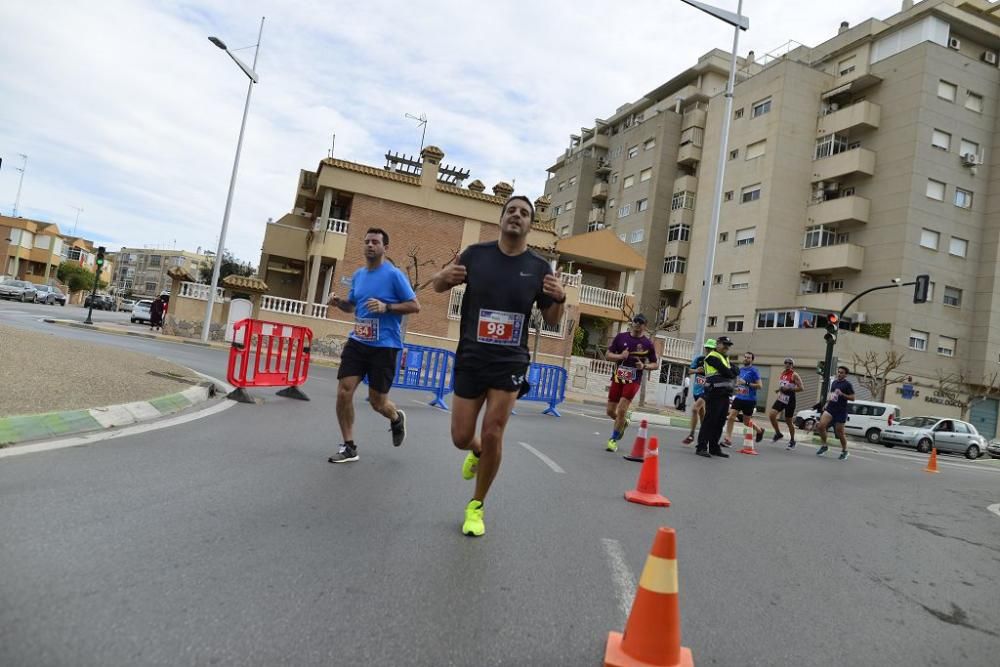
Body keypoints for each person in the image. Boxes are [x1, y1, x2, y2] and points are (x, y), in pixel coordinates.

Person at [431, 195, 566, 537]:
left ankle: (476, 506)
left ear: (530, 225)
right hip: (472, 357)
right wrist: (444, 276)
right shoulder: (477, 255)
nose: (516, 216)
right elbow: (438, 285)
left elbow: (551, 318)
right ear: (501, 218)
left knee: (494, 431)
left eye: (524, 213)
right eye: (511, 211)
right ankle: (475, 451)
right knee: (462, 437)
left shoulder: (538, 268)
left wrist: (560, 299)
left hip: (510, 360)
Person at [326, 228, 421, 464]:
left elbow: (414, 305)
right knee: (344, 391)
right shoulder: (358, 275)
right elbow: (353, 307)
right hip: (358, 342)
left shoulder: (394, 275)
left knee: (378, 402)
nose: (370, 245)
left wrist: (387, 307)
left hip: (385, 346)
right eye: (367, 241)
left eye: (375, 242)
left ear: (384, 248)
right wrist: (340, 303)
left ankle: (396, 417)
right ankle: (349, 447)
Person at [604, 314, 659, 452]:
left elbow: (655, 364)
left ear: (645, 326)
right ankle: (624, 422)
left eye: (641, 322)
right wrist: (620, 356)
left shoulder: (647, 344)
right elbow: (608, 355)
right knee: (611, 411)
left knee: (622, 410)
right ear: (632, 322)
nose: (637, 324)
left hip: (633, 379)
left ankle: (613, 440)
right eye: (635, 321)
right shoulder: (621, 337)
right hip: (618, 377)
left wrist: (644, 366)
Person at [696, 336, 737, 458]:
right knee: (710, 420)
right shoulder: (712, 356)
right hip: (714, 392)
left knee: (720, 422)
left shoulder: (725, 358)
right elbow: (728, 372)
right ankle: (701, 447)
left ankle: (714, 448)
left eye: (728, 345)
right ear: (717, 344)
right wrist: (731, 372)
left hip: (725, 394)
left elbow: (735, 371)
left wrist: (731, 371)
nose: (727, 347)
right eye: (724, 344)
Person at [724, 351, 765, 446]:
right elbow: (739, 383)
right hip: (739, 397)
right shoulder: (740, 370)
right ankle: (728, 438)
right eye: (745, 357)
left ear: (752, 360)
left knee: (746, 422)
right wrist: (737, 386)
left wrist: (746, 383)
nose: (746, 359)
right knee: (731, 417)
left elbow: (760, 386)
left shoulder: (754, 371)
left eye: (748, 357)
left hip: (749, 400)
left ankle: (759, 430)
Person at [816, 365, 856, 460]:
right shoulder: (834, 382)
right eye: (838, 372)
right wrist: (827, 403)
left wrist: (842, 394)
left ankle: (845, 451)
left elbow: (853, 398)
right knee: (821, 426)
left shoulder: (847, 384)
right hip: (830, 408)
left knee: (839, 433)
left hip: (841, 411)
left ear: (846, 375)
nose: (839, 374)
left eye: (842, 373)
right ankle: (824, 446)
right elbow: (832, 394)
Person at [682, 341, 713, 445]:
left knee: (695, 409)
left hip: (707, 391)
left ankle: (692, 435)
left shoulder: (715, 362)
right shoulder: (699, 359)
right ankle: (705, 435)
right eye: (707, 348)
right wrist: (696, 371)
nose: (708, 351)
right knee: (701, 413)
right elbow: (689, 371)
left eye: (711, 349)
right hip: (697, 391)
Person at [769, 357, 804, 449]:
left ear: (792, 365)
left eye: (790, 363)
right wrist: (779, 389)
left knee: (788, 421)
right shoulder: (783, 373)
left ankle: (792, 440)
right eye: (786, 363)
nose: (788, 364)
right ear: (784, 364)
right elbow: (783, 385)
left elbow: (801, 388)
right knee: (772, 415)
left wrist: (789, 389)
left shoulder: (794, 375)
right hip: (781, 398)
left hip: (790, 400)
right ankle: (778, 433)